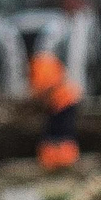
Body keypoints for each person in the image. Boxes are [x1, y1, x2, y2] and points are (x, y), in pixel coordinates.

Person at [26, 36, 81, 172]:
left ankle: (59, 162)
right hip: (63, 100)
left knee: (59, 133)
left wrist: (40, 101)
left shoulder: (40, 63)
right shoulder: (46, 60)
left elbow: (46, 86)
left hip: (62, 102)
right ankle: (58, 162)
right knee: (60, 132)